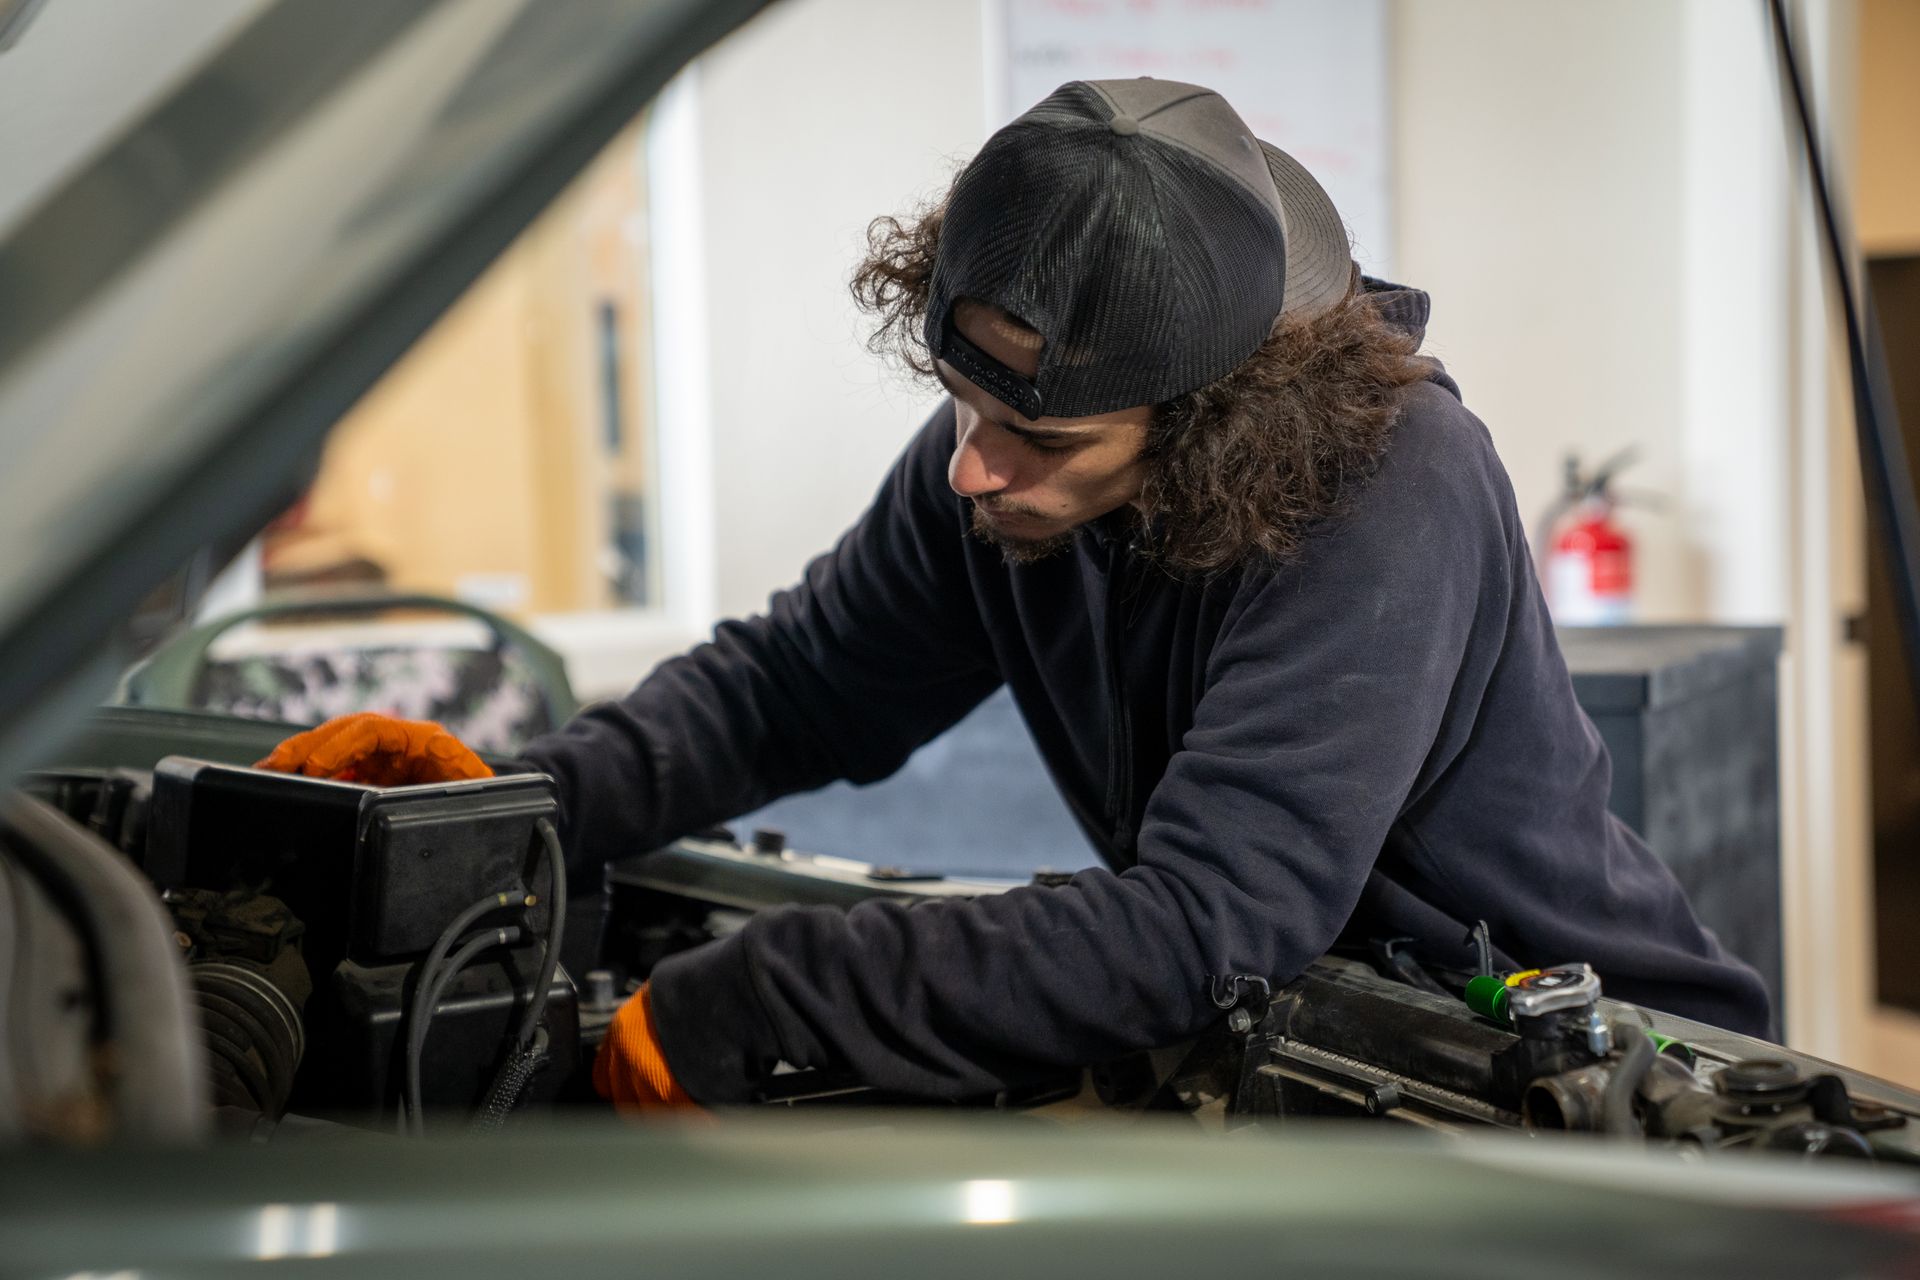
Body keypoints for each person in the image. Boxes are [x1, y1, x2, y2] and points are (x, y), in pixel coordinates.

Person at [260, 79, 1771, 1111]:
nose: (971, 475)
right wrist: (510, 803)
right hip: (1287, 1055)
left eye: (1036, 441)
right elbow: (795, 687)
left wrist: (759, 1000)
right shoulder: (991, 470)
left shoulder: (1394, 482)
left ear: (1211, 418)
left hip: (1582, 1077)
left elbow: (1206, 921)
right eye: (961, 413)